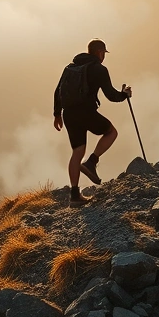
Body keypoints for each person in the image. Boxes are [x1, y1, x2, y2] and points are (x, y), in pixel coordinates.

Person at [53, 38, 132, 207]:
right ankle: (91, 162)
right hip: (86, 112)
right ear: (99, 52)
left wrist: (57, 114)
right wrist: (124, 94)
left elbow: (58, 90)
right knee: (111, 132)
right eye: (104, 53)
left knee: (77, 152)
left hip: (68, 114)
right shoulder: (99, 69)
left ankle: (74, 196)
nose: (104, 56)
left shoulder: (71, 68)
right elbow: (111, 95)